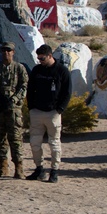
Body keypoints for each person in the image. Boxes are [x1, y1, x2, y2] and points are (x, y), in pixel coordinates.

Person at [26, 45, 71, 183]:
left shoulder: (62, 71)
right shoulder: (37, 70)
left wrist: (60, 109)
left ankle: (54, 170)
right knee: (34, 142)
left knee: (54, 143)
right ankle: (39, 168)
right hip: (37, 112)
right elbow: (30, 89)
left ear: (50, 56)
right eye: (38, 58)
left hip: (53, 113)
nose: (40, 60)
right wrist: (31, 107)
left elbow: (67, 92)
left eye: (42, 58)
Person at [0, 42, 29, 179]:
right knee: (0, 138)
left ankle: (19, 167)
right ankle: (3, 165)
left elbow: (23, 86)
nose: (5, 53)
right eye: (3, 50)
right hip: (0, 109)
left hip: (14, 110)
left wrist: (13, 99)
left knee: (16, 138)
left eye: (8, 50)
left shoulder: (19, 68)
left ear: (13, 52)